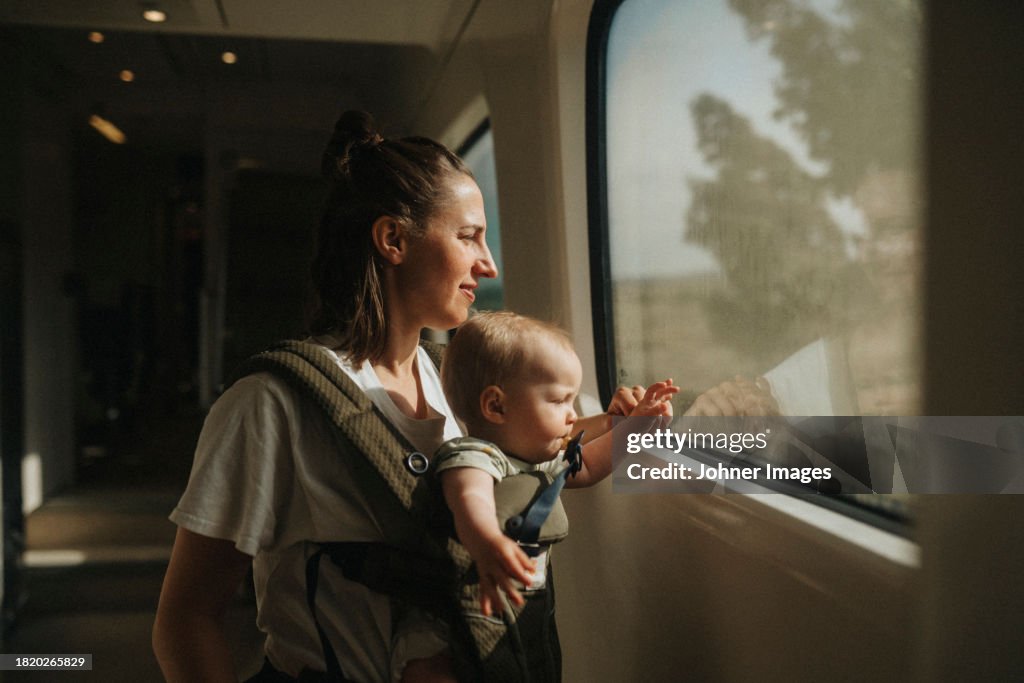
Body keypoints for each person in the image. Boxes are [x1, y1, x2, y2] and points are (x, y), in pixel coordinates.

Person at [153, 110, 501, 682]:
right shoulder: (270, 405)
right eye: (468, 237)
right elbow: (186, 621)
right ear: (393, 239)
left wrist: (680, 446)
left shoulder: (459, 384)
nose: (487, 264)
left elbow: (565, 441)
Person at [434, 311, 679, 617]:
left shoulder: (535, 462)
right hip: (467, 615)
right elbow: (471, 498)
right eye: (558, 401)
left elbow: (586, 465)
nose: (572, 414)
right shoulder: (474, 457)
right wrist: (487, 541)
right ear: (496, 405)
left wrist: (638, 426)